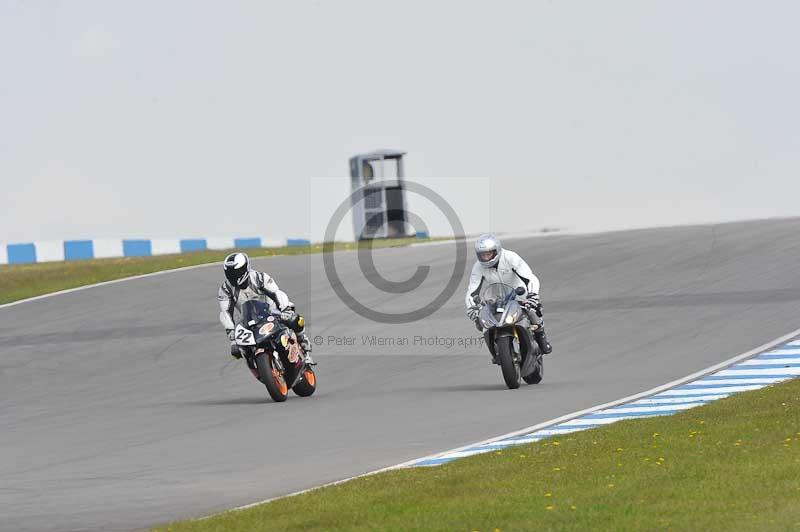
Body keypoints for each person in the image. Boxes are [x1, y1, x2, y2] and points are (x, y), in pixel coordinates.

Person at [465, 233, 553, 355]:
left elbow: (530, 277)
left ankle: (541, 338)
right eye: (482, 255)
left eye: (488, 254)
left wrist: (532, 295)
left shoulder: (510, 257)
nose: (485, 258)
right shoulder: (478, 267)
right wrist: (472, 309)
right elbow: (471, 291)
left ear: (497, 250)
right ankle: (495, 350)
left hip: (520, 295)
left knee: (534, 312)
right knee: (482, 323)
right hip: (496, 299)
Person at [217, 252, 314, 361]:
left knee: (296, 319)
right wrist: (232, 338)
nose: (232, 276)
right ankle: (255, 364)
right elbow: (225, 314)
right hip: (249, 320)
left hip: (272, 312)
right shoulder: (225, 290)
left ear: (244, 269)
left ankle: (304, 344)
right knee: (239, 349)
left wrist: (285, 309)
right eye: (229, 273)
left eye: (235, 272)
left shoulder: (259, 278)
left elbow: (277, 293)